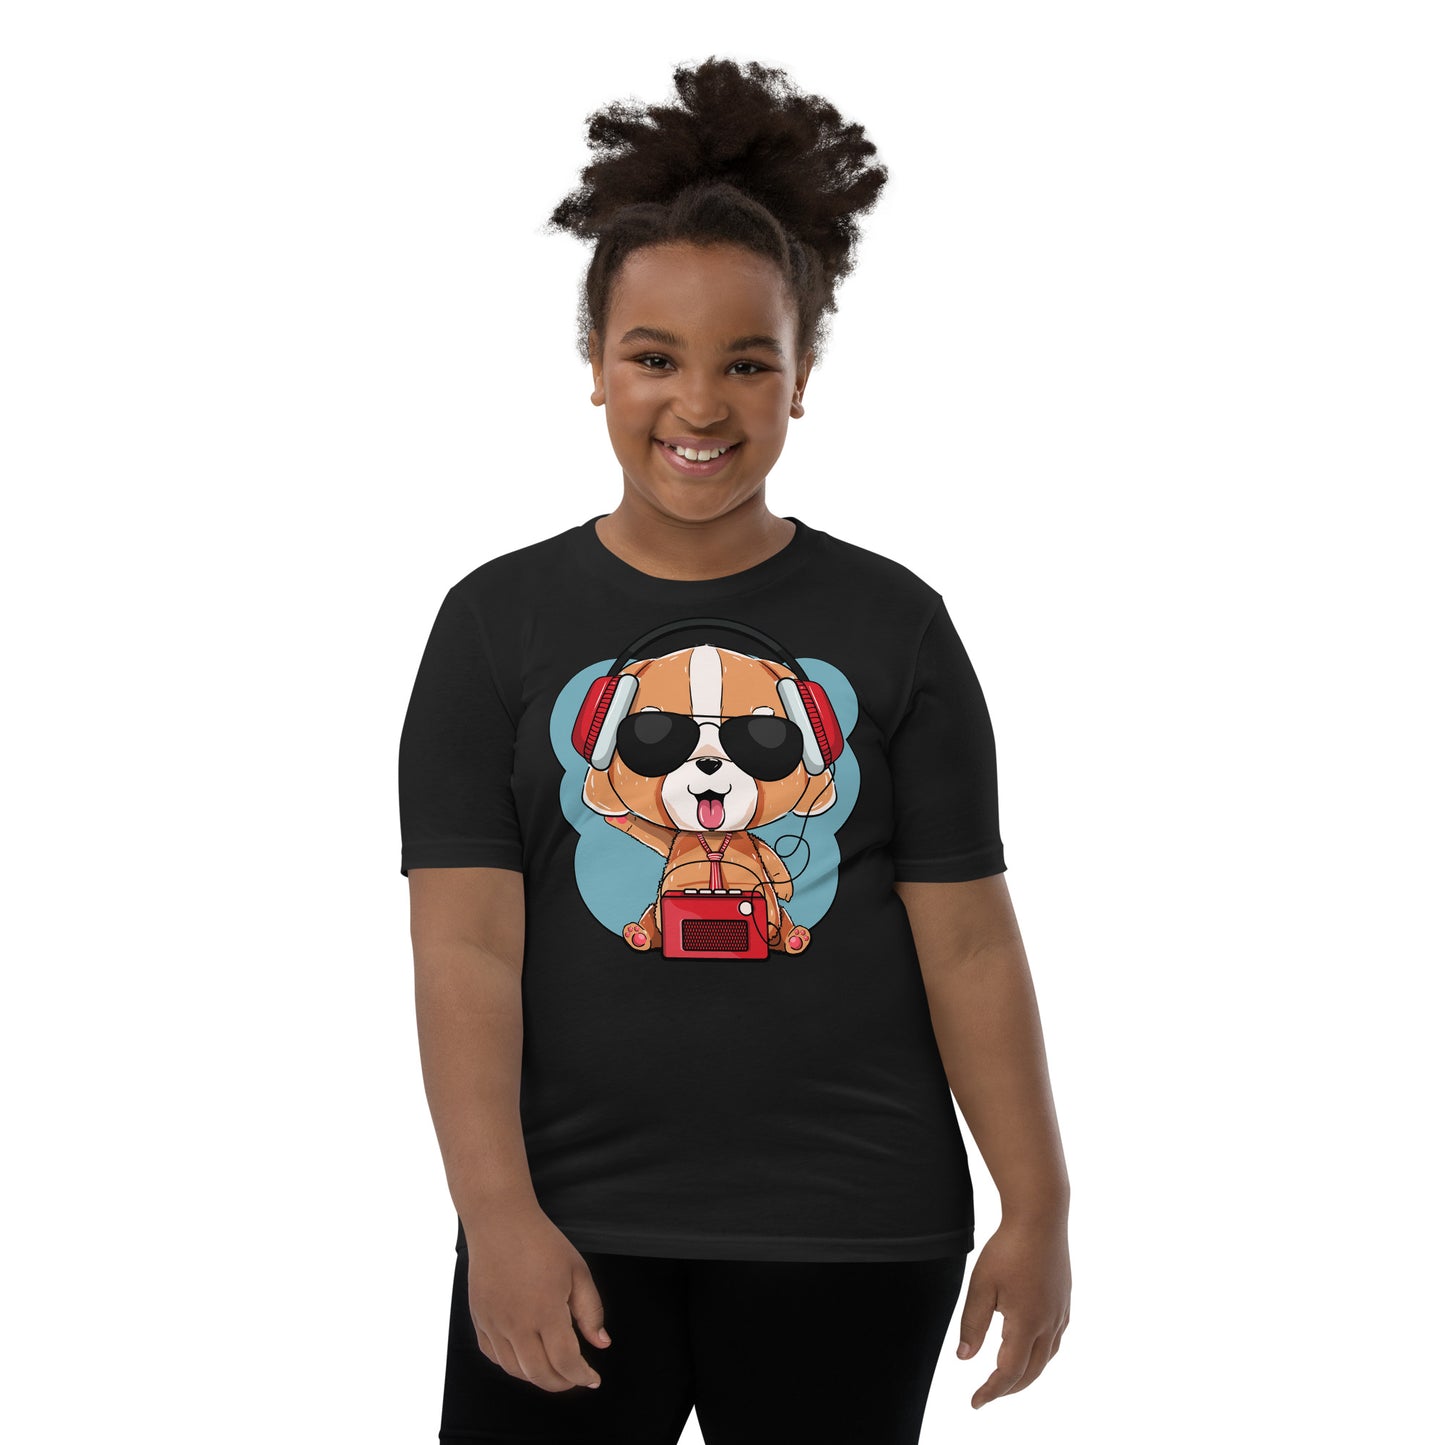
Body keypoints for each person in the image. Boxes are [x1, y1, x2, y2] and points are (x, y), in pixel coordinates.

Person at [398, 56, 1071, 1445]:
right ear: (595, 366)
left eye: (746, 362)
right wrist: (496, 1214)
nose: (698, 405)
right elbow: (463, 944)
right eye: (654, 357)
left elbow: (968, 943)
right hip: (572, 1223)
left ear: (800, 377)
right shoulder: (494, 624)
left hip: (854, 1225)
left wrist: (1038, 1202)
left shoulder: (894, 626)